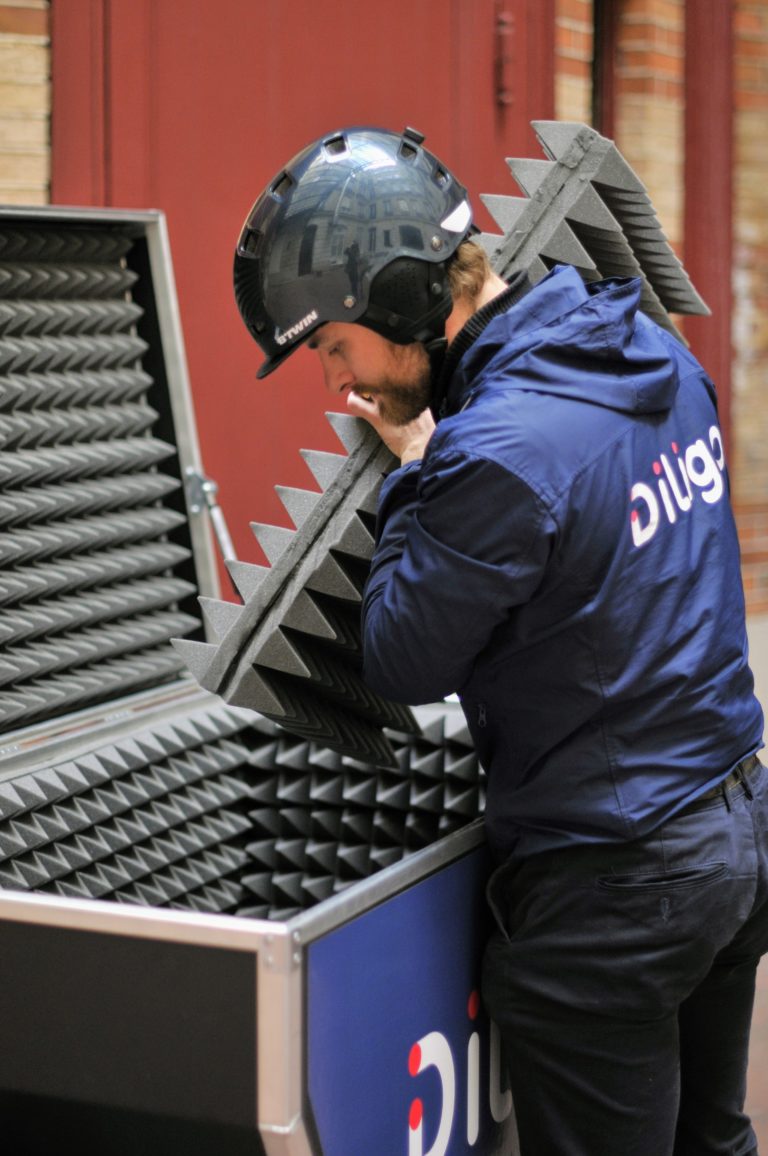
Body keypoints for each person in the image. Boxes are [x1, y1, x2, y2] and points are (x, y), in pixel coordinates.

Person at [233, 125, 767, 1155]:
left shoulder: (491, 453)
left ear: (398, 302)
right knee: (716, 1141)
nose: (339, 381)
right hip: (734, 836)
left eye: (336, 345)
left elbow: (401, 657)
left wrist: (417, 470)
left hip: (618, 890)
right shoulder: (651, 349)